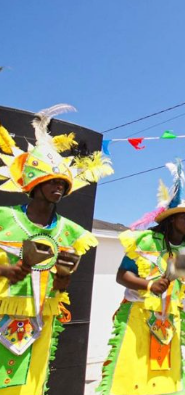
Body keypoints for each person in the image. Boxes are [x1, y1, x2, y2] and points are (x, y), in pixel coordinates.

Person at [0, 106, 112, 395]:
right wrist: (7, 270)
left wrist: (63, 275)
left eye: (62, 183)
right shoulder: (4, 218)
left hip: (40, 319)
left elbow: (62, 287)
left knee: (32, 383)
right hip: (3, 310)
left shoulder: (70, 232)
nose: (59, 188)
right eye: (52, 182)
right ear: (34, 184)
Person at [97, 161, 185, 395]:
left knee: (165, 376)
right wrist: (149, 285)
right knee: (133, 372)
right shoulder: (144, 241)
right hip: (138, 315)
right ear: (171, 219)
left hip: (170, 320)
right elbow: (122, 275)